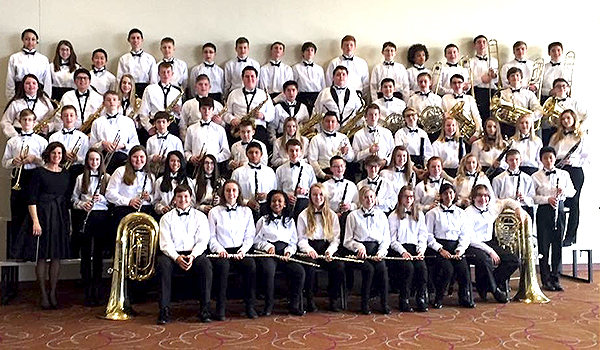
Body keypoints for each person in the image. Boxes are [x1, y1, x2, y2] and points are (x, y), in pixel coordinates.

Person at [12, 142, 70, 309]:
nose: (57, 156)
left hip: (59, 216)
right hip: (42, 216)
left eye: (59, 153)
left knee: (56, 256)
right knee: (42, 256)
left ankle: (53, 292)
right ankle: (43, 294)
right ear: (48, 154)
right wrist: (35, 221)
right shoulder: (39, 172)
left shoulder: (66, 174)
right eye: (54, 153)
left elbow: (66, 199)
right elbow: (32, 199)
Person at [157, 184, 213, 324]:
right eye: (179, 197)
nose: (183, 199)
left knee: (206, 265)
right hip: (173, 255)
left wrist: (192, 256)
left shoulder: (200, 216)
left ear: (190, 198)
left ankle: (205, 310)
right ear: (174, 199)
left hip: (194, 254)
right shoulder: (166, 218)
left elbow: (202, 241)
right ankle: (164, 310)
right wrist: (177, 258)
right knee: (162, 264)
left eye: (186, 196)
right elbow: (165, 243)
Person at [208, 180, 258, 320]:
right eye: (228, 190)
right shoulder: (214, 212)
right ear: (223, 193)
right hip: (222, 251)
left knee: (251, 266)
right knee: (222, 268)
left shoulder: (246, 211)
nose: (231, 193)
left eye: (234, 190)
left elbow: (250, 235)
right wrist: (219, 250)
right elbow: (211, 237)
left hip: (241, 250)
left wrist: (243, 251)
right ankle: (220, 308)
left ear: (238, 193)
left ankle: (250, 306)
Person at [2, 109, 48, 258]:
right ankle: (17, 252)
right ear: (19, 122)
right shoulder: (12, 141)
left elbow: (46, 163)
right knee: (17, 211)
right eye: (24, 120)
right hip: (18, 177)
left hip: (35, 176)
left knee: (33, 214)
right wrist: (13, 161)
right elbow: (4, 163)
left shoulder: (42, 141)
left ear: (34, 122)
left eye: (30, 120)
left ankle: (31, 250)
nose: (27, 123)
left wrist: (34, 159)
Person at [464, 184, 521, 303]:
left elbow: (507, 201)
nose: (483, 198)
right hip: (472, 245)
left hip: (489, 242)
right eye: (479, 195)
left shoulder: (491, 208)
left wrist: (518, 209)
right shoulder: (468, 213)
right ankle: (495, 291)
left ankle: (486, 284)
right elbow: (470, 238)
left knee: (514, 260)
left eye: (486, 196)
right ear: (473, 197)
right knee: (486, 260)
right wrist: (490, 251)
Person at [254, 190, 306, 316]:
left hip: (285, 253)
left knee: (299, 271)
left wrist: (289, 252)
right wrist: (267, 247)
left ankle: (294, 304)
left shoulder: (290, 221)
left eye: (279, 201)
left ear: (284, 204)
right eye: (273, 201)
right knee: (268, 271)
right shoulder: (263, 220)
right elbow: (256, 240)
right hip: (269, 254)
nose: (276, 203)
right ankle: (268, 305)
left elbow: (293, 242)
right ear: (269, 203)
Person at [532, 146, 575, 291]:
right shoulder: (535, 176)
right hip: (544, 211)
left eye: (551, 157)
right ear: (541, 160)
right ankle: (545, 280)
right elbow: (533, 198)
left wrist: (564, 192)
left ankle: (556, 278)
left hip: (559, 210)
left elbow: (572, 192)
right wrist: (547, 199)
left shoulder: (564, 174)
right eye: (545, 158)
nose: (549, 161)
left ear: (555, 158)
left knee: (557, 245)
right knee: (543, 246)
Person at [426, 183, 475, 309]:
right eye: (445, 193)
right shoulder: (432, 214)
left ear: (454, 195)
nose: (448, 196)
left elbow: (465, 235)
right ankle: (438, 297)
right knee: (448, 269)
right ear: (441, 196)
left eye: (451, 193)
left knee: (463, 269)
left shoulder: (461, 213)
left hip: (456, 247)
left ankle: (465, 297)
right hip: (438, 247)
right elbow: (428, 236)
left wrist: (460, 249)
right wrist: (440, 249)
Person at [297, 183, 345, 312]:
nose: (318, 197)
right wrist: (309, 250)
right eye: (314, 194)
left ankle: (333, 299)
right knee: (310, 268)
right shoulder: (303, 215)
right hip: (310, 248)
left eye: (320, 194)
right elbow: (301, 239)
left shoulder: (332, 215)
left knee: (339, 266)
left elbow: (336, 239)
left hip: (327, 248)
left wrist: (330, 251)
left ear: (325, 196)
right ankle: (310, 299)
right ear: (310, 197)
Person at [71, 148, 110, 305]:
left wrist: (103, 198)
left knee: (99, 254)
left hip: (101, 217)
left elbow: (112, 199)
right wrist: (83, 204)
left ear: (101, 162)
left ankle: (98, 290)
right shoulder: (81, 178)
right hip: (86, 216)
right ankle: (87, 290)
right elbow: (73, 199)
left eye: (97, 160)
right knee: (86, 253)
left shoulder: (107, 178)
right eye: (91, 160)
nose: (94, 163)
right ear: (87, 161)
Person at [344, 186, 391, 315]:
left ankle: (384, 303)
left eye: (371, 197)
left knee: (382, 269)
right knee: (368, 269)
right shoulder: (352, 216)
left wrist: (380, 253)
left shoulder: (381, 216)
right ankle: (364, 303)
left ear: (375, 198)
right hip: (358, 253)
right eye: (365, 197)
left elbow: (386, 239)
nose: (369, 200)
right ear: (360, 199)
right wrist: (358, 246)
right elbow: (347, 241)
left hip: (376, 251)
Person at [549, 109, 588, 247]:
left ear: (574, 119)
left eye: (568, 118)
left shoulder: (581, 137)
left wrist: (574, 162)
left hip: (575, 170)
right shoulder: (555, 137)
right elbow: (550, 153)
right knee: (558, 201)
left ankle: (570, 236)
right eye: (563, 119)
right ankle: (557, 234)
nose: (566, 121)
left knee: (574, 202)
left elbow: (587, 158)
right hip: (559, 169)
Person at [388, 185, 429, 312]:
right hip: (398, 249)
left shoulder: (419, 215)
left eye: (411, 196)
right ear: (400, 198)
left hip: (415, 248)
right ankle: (404, 298)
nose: (408, 199)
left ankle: (420, 297)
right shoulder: (393, 216)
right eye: (406, 196)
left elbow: (423, 235)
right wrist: (403, 252)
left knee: (422, 268)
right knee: (408, 268)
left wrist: (421, 250)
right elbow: (392, 240)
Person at [105, 145, 155, 240]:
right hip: (124, 212)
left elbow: (155, 197)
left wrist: (149, 198)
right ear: (130, 158)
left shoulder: (150, 175)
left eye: (142, 157)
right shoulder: (120, 171)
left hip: (144, 213)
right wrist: (128, 201)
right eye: (135, 157)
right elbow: (109, 193)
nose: (138, 160)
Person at [89, 91, 140, 174]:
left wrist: (122, 146)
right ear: (104, 103)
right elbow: (92, 146)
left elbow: (135, 145)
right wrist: (102, 144)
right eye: (108, 100)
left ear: (119, 103)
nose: (111, 102)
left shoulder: (128, 121)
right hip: (103, 159)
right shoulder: (97, 122)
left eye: (114, 99)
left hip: (123, 158)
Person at [225, 66, 274, 148]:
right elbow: (226, 113)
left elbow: (272, 114)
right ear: (242, 78)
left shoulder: (264, 95)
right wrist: (232, 119)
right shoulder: (233, 94)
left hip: (258, 129)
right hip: (239, 129)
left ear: (257, 78)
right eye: (247, 76)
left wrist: (263, 116)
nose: (250, 79)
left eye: (252, 76)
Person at [48, 105, 89, 196]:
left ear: (76, 118)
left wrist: (76, 158)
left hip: (77, 170)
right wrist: (62, 156)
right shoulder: (54, 137)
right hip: (59, 170)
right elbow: (49, 158)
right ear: (61, 118)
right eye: (65, 115)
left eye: (71, 115)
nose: (68, 118)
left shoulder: (84, 137)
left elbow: (86, 159)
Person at [231, 141, 277, 219]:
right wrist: (247, 202)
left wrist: (267, 196)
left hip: (266, 208)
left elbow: (275, 190)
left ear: (261, 154)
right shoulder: (237, 172)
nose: (254, 155)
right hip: (244, 209)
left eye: (256, 152)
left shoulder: (270, 172)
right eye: (251, 153)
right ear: (246, 154)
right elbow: (233, 193)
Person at [184, 97, 230, 172]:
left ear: (213, 110)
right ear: (199, 110)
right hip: (197, 166)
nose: (206, 111)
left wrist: (214, 159)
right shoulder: (191, 129)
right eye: (204, 109)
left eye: (209, 109)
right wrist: (191, 157)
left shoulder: (220, 129)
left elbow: (226, 152)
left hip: (215, 167)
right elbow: (186, 150)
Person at [139, 62, 184, 138]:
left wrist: (179, 111)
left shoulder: (177, 91)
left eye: (168, 72)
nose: (166, 75)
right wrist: (149, 128)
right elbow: (143, 111)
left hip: (171, 126)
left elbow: (180, 116)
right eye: (163, 72)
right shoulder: (150, 89)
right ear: (158, 74)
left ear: (172, 74)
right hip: (154, 125)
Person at [2, 73, 54, 139]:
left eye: (34, 83)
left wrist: (48, 127)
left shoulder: (46, 103)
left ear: (38, 86)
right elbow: (5, 122)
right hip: (19, 135)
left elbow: (54, 121)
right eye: (27, 83)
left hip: (39, 137)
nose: (31, 85)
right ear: (23, 86)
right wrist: (14, 136)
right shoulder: (15, 103)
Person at [6, 28, 52, 100]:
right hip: (19, 93)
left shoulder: (43, 59)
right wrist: (11, 98)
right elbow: (10, 80)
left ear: (37, 41)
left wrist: (46, 98)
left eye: (33, 39)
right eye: (27, 39)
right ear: (23, 40)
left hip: (38, 94)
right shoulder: (14, 58)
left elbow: (47, 81)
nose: (30, 42)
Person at [276, 139, 316, 219]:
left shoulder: (308, 168)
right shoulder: (280, 170)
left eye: (297, 150)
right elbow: (278, 190)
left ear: (301, 151)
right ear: (287, 151)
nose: (294, 153)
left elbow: (314, 187)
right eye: (291, 151)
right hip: (287, 204)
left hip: (304, 203)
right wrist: (286, 197)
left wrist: (305, 191)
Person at [307, 111, 354, 180]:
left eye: (333, 121)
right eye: (327, 121)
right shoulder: (315, 139)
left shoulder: (343, 138)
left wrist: (346, 153)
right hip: (324, 173)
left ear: (337, 123)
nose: (330, 124)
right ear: (322, 122)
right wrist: (323, 175)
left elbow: (351, 158)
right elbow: (312, 161)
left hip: (341, 173)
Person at [497, 67, 543, 136]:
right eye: (512, 76)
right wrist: (503, 113)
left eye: (517, 75)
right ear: (508, 79)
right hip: (508, 126)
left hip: (525, 127)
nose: (515, 78)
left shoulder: (529, 94)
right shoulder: (502, 93)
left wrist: (529, 117)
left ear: (521, 79)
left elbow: (539, 110)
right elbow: (498, 111)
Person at [313, 66, 362, 130]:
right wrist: (317, 131)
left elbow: (360, 113)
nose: (341, 77)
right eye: (338, 75)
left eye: (344, 75)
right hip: (328, 131)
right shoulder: (324, 93)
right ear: (333, 78)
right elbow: (316, 113)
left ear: (347, 77)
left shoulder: (354, 93)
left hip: (349, 132)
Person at [492, 149, 535, 220]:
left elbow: (533, 199)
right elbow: (495, 200)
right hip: (505, 211)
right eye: (511, 160)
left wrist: (524, 198)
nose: (514, 162)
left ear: (521, 160)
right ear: (506, 161)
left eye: (517, 159)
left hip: (523, 209)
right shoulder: (498, 179)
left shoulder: (528, 178)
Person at [441, 73, 482, 142]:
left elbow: (476, 116)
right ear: (451, 85)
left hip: (469, 136)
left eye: (459, 82)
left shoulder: (469, 98)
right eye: (454, 83)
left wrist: (476, 134)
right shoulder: (445, 98)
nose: (457, 85)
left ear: (464, 84)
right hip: (451, 134)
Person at [117, 28, 157, 97]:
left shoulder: (150, 59)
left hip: (145, 90)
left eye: (138, 38)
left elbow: (153, 79)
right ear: (128, 40)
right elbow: (119, 78)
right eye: (133, 38)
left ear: (142, 40)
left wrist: (152, 94)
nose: (135, 40)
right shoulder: (123, 59)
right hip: (129, 89)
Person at [153, 150, 195, 217]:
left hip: (184, 216)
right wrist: (162, 208)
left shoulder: (189, 181)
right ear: (168, 163)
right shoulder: (160, 181)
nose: (175, 163)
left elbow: (193, 202)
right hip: (165, 216)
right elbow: (155, 201)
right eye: (172, 161)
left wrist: (182, 206)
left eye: (178, 161)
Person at [394, 107, 433, 171]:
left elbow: (429, 153)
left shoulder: (423, 133)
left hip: (422, 166)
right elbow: (399, 153)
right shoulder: (400, 133)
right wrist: (413, 168)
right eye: (408, 116)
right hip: (406, 165)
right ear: (404, 119)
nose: (411, 118)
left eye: (413, 115)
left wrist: (426, 167)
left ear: (417, 116)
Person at [470, 35, 499, 121]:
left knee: (493, 117)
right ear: (475, 46)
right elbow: (469, 81)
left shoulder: (494, 60)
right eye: (479, 42)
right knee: (481, 116)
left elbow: (497, 80)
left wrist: (494, 76)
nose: (481, 44)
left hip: (493, 91)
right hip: (479, 92)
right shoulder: (470, 61)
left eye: (484, 42)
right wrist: (481, 80)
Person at [146, 112, 184, 176]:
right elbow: (146, 157)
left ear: (168, 123)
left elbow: (181, 157)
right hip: (155, 172)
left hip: (171, 172)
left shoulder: (176, 140)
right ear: (154, 124)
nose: (161, 125)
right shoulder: (150, 140)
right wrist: (152, 157)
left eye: (164, 122)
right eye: (158, 122)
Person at [292, 42, 326, 113]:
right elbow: (293, 85)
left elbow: (323, 85)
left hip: (316, 96)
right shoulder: (296, 68)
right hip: (302, 97)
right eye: (307, 50)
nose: (309, 52)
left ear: (314, 53)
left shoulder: (319, 69)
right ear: (303, 53)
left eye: (312, 50)